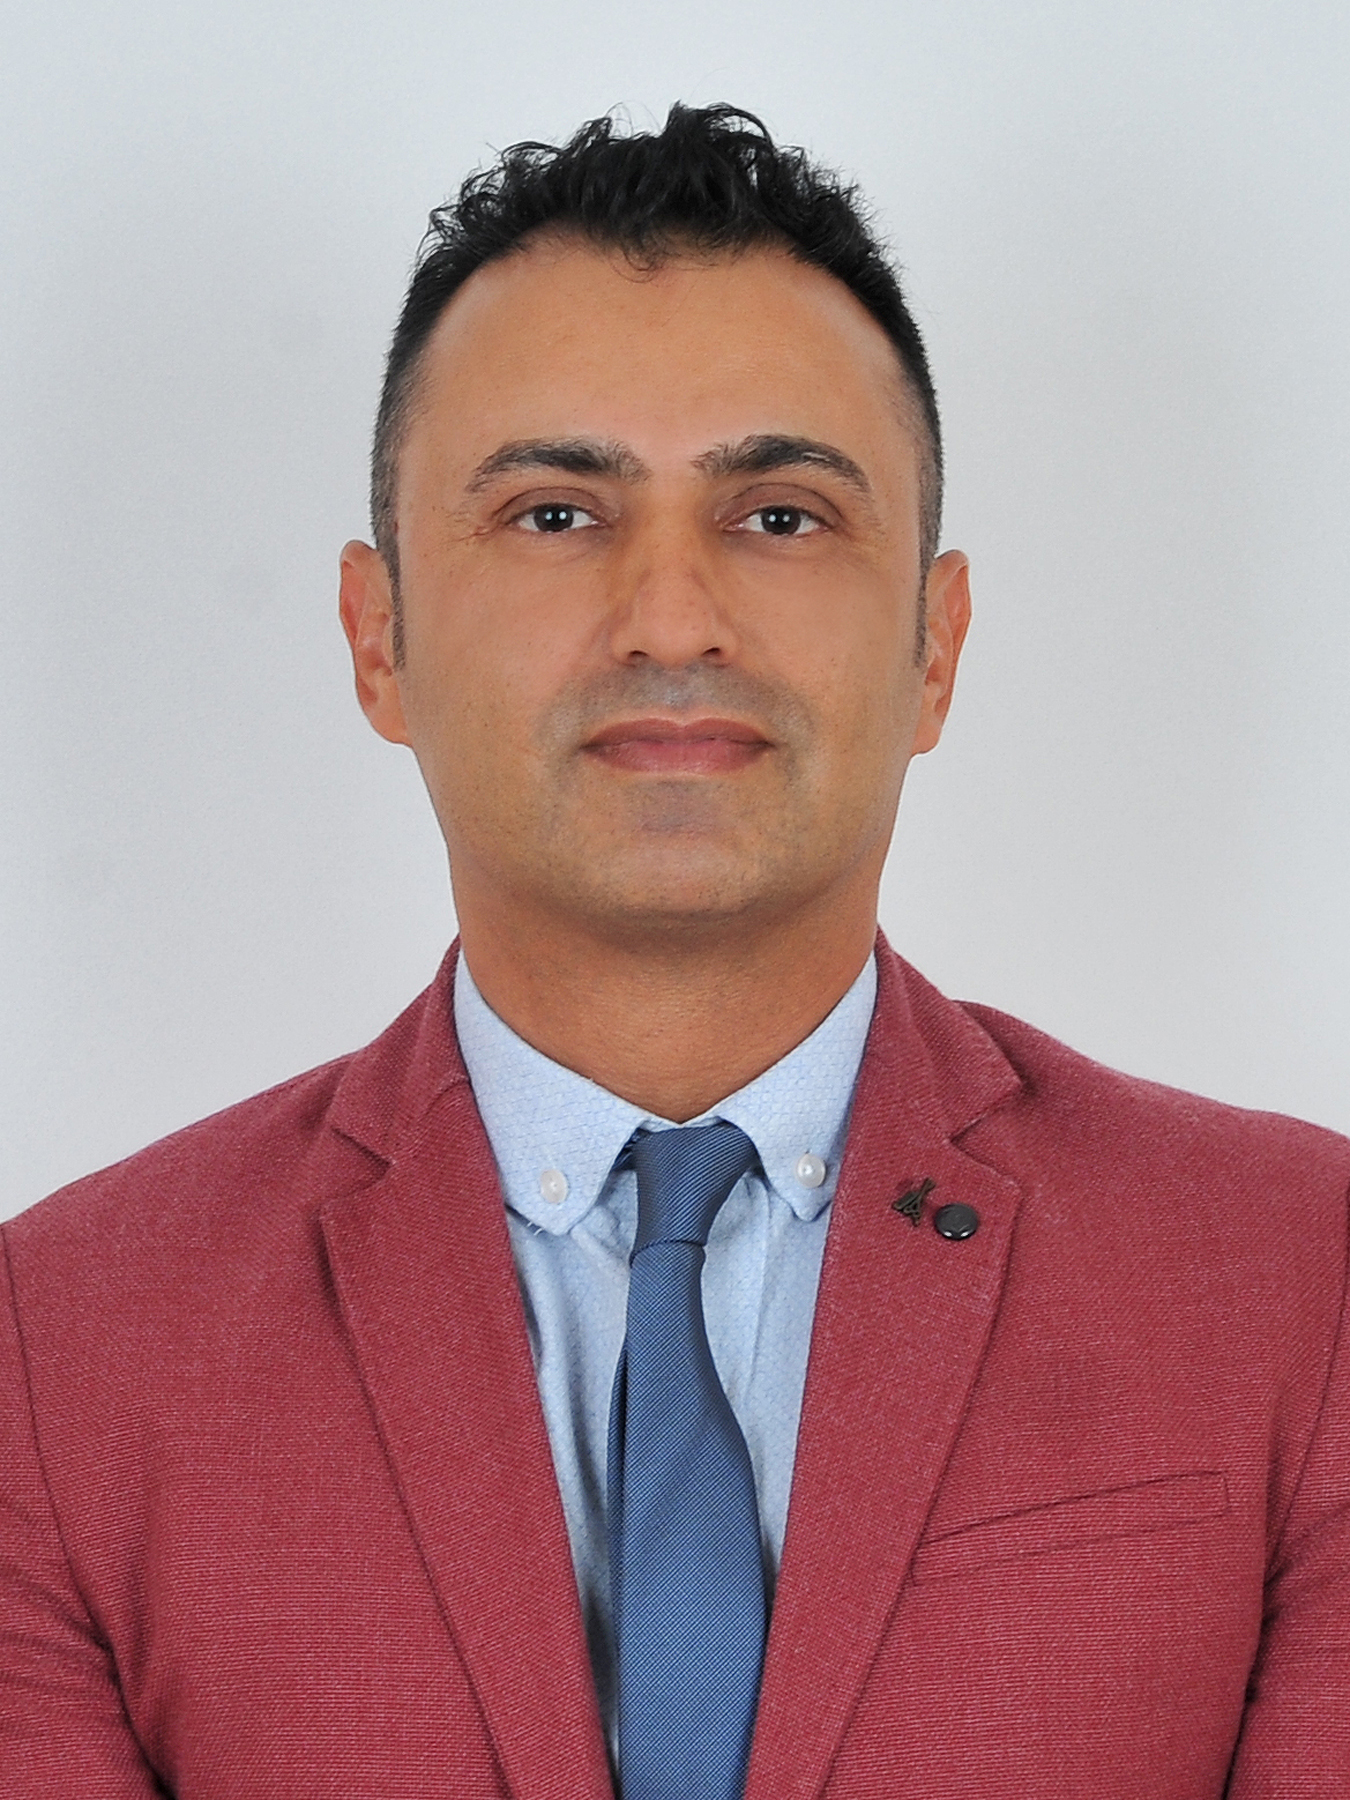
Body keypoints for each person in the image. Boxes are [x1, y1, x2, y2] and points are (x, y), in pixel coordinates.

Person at [2, 103, 1347, 1800]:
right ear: (378, 636)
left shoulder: (1302, 1282)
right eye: (554, 514)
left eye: (778, 516)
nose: (670, 619)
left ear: (933, 648)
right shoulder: (56, 1352)